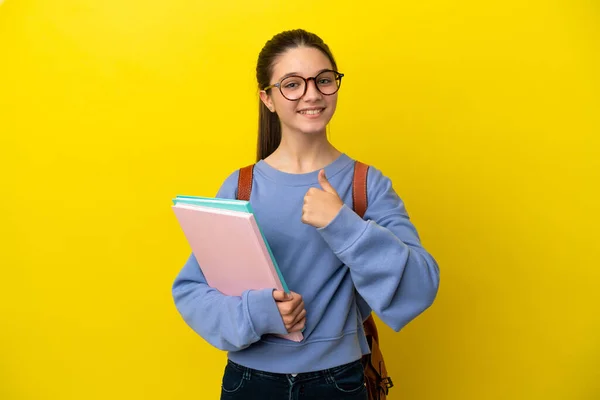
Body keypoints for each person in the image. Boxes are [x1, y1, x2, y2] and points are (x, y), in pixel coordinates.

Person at [171, 28, 440, 400]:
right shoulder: (241, 187)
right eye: (293, 84)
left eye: (324, 80)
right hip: (249, 383)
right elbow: (191, 291)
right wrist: (258, 313)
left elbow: (421, 286)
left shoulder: (367, 184)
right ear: (267, 98)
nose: (312, 94)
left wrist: (343, 225)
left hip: (339, 383)